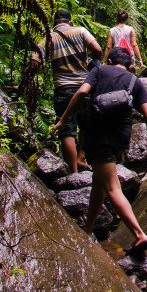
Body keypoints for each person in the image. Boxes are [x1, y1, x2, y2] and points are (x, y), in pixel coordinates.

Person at [51, 46, 147, 253]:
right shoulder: (134, 81)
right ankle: (88, 228)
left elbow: (82, 92)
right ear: (130, 66)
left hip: (98, 135)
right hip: (120, 139)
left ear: (108, 61)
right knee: (99, 182)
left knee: (111, 186)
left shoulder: (99, 71)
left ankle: (139, 234)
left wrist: (64, 120)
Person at [29, 9, 102, 173]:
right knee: (85, 124)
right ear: (70, 22)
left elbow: (34, 64)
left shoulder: (47, 39)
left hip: (63, 88)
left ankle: (74, 172)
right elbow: (97, 50)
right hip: (84, 85)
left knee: (67, 130)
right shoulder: (81, 31)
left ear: (54, 23)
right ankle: (80, 157)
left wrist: (23, 84)